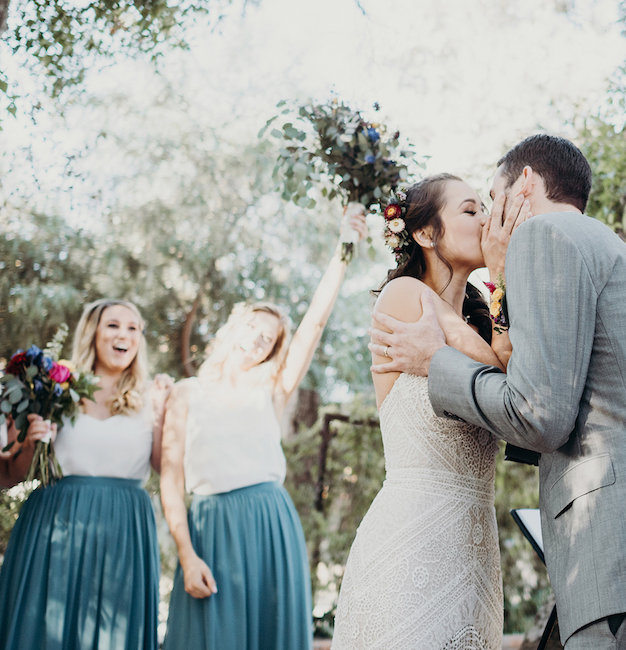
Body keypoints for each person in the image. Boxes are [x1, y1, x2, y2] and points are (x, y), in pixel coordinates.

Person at [370, 134, 626, 650]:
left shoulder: (546, 237)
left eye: (492, 199)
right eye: (476, 209)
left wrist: (436, 359)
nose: (491, 219)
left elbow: (537, 413)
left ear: (526, 183)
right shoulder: (605, 246)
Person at [331, 174, 531, 650]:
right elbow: (507, 373)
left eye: (484, 208)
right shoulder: (405, 297)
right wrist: (502, 272)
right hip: (410, 542)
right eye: (470, 210)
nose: (486, 220)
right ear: (425, 234)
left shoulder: (477, 325)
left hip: (475, 550)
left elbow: (522, 389)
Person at [160, 209, 367, 650]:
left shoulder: (271, 390)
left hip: (270, 521)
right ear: (233, 327)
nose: (257, 338)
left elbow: (313, 325)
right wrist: (186, 552)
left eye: (269, 338)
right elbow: (171, 484)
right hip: (210, 528)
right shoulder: (185, 393)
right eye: (253, 327)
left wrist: (343, 250)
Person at [0, 299, 172, 650]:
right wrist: (32, 443)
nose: (123, 334)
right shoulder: (53, 390)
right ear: (93, 332)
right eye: (112, 325)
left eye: (132, 327)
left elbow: (162, 468)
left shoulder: (151, 399)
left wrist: (164, 415)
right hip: (54, 524)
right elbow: (13, 473)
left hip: (124, 529)